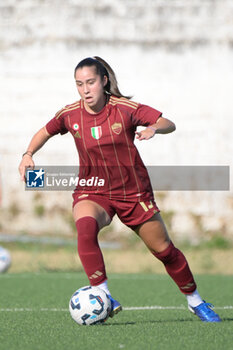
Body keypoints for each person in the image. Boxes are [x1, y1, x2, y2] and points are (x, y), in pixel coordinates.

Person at [18, 56, 221, 322]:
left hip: (133, 193)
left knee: (164, 251)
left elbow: (167, 123)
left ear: (103, 81)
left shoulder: (124, 109)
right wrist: (28, 154)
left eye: (90, 82)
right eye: (79, 84)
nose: (85, 89)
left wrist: (153, 129)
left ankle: (195, 302)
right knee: (85, 227)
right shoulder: (70, 114)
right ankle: (103, 296)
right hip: (93, 189)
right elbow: (45, 131)